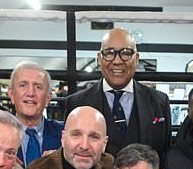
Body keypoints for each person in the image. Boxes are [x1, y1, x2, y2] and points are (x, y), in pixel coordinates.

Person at [65, 28, 172, 158]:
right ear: (99, 58)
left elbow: (166, 153)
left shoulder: (159, 102)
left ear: (136, 58)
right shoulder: (76, 103)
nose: (117, 61)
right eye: (109, 53)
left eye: (126, 53)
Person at [9, 61, 62, 166]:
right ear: (11, 95)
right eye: (23, 85)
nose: (30, 93)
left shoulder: (65, 136)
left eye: (38, 87)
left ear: (48, 98)